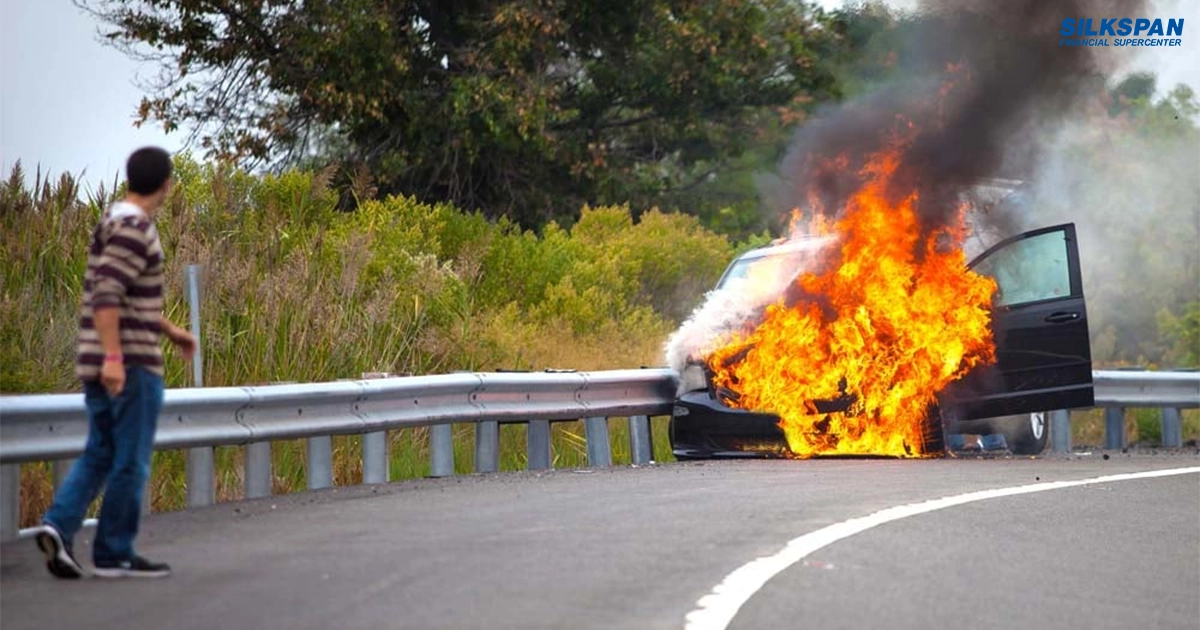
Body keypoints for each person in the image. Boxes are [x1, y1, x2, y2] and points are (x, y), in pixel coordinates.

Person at [35, 147, 195, 579]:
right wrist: (114, 359)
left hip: (100, 357)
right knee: (131, 458)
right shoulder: (135, 228)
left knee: (101, 452)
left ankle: (58, 526)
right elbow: (107, 294)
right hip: (128, 364)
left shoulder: (111, 222)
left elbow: (121, 295)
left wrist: (171, 330)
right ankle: (113, 551)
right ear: (165, 183)